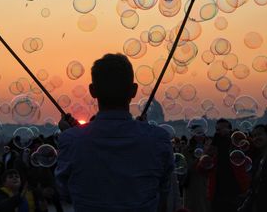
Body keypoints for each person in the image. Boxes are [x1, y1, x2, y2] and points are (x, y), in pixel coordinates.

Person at [55, 53, 175, 212]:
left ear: (92, 90)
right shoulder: (158, 139)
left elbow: (66, 193)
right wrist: (144, 133)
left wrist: (73, 137)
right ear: (133, 90)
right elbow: (163, 191)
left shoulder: (70, 140)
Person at [204, 119, 250, 212]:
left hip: (236, 191)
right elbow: (201, 166)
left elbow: (250, 146)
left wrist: (235, 136)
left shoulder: (237, 143)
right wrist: (213, 145)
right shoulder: (213, 146)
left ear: (230, 130)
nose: (221, 132)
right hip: (217, 193)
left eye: (224, 129)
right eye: (218, 130)